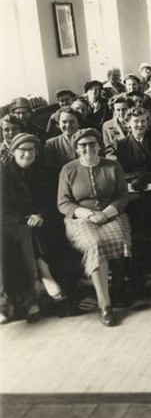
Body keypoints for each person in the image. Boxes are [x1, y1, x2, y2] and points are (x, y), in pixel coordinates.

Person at [57, 128, 131, 326]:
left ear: (99, 146)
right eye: (83, 145)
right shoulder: (68, 170)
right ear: (76, 149)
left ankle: (119, 287)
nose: (88, 148)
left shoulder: (113, 166)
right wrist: (88, 214)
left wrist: (105, 213)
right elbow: (63, 203)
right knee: (95, 244)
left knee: (119, 238)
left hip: (111, 215)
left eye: (92, 144)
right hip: (80, 219)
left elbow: (122, 197)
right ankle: (104, 304)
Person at [2, 134, 72, 323]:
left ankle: (32, 301)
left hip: (44, 222)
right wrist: (24, 220)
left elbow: (55, 201)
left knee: (34, 236)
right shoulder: (4, 174)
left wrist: (41, 216)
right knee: (26, 236)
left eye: (31, 149)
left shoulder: (46, 172)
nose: (27, 154)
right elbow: (3, 208)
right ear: (13, 151)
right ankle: (52, 287)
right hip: (13, 225)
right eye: (22, 150)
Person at [114, 107, 151, 185]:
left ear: (147, 122)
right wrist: (137, 176)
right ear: (128, 123)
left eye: (143, 121)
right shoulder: (122, 145)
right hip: (133, 185)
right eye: (136, 121)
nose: (140, 125)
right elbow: (122, 170)